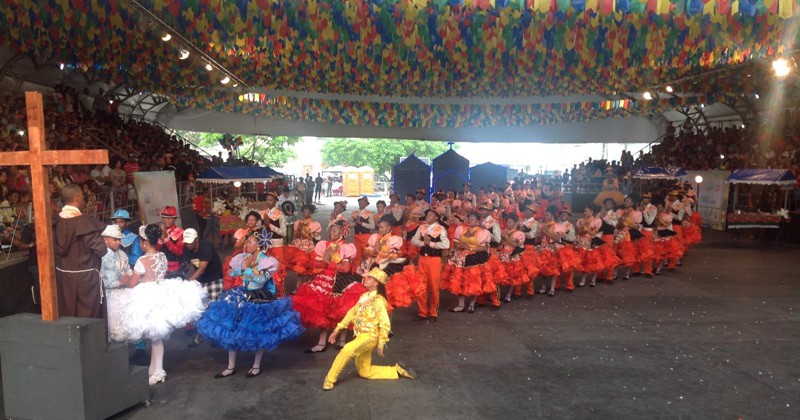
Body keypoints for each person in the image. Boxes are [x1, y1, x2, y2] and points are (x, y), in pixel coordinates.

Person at [104, 224, 206, 385]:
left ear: (144, 242)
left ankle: (158, 371)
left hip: (146, 295)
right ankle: (154, 368)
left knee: (155, 335)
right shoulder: (162, 256)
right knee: (156, 336)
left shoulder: (142, 260)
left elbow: (132, 284)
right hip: (161, 291)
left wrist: (124, 280)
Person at [197, 230, 305, 379]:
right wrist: (239, 269)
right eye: (247, 242)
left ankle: (256, 365)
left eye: (250, 242)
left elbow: (260, 281)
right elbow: (234, 274)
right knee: (231, 327)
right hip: (243, 293)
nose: (247, 245)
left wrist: (246, 269)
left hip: (259, 296)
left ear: (260, 244)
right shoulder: (244, 257)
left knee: (258, 331)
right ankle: (230, 366)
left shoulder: (268, 261)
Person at [322, 267, 416, 391]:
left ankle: (329, 380)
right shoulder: (364, 296)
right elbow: (352, 313)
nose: (365, 278)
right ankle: (396, 371)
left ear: (376, 283)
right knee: (364, 372)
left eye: (370, 278)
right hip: (361, 336)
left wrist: (381, 343)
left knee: (347, 350)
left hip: (370, 336)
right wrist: (337, 330)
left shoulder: (379, 300)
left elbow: (385, 323)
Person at [291, 219, 366, 353]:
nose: (332, 233)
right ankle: (321, 342)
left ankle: (342, 340)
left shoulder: (346, 247)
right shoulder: (324, 245)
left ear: (342, 233)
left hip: (340, 281)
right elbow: (315, 263)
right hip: (324, 279)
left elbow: (346, 268)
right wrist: (325, 263)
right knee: (323, 310)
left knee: (342, 309)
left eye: (335, 230)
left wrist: (328, 262)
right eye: (331, 230)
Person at [54, 183, 108, 318]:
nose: (84, 198)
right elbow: (101, 250)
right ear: (77, 198)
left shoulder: (55, 221)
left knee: (66, 314)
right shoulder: (84, 223)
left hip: (63, 277)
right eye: (83, 196)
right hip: (86, 279)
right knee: (87, 319)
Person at [441, 211, 504, 313]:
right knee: (459, 282)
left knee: (474, 282)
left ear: (478, 221)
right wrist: (461, 246)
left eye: (473, 218)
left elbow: (484, 248)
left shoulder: (483, 232)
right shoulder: (460, 229)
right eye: (469, 218)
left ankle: (471, 304)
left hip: (475, 259)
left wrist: (469, 247)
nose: (470, 220)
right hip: (460, 259)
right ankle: (461, 305)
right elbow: (456, 244)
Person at [410, 208, 449, 322]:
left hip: (434, 260)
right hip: (422, 259)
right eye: (427, 214)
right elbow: (413, 241)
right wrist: (423, 243)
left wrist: (431, 244)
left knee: (433, 287)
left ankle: (433, 312)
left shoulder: (440, 229)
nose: (428, 216)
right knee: (421, 286)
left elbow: (446, 244)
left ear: (436, 217)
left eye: (431, 215)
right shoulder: (422, 227)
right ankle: (422, 312)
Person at [285, 205, 323, 291]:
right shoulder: (299, 222)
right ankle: (298, 286)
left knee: (309, 267)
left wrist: (310, 236)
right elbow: (296, 234)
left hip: (308, 246)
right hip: (300, 245)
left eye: (307, 211)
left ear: (311, 213)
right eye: (304, 211)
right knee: (300, 267)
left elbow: (314, 236)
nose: (304, 213)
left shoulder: (314, 224)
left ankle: (309, 286)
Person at [157, 205, 184, 276]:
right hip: (162, 266)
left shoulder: (179, 232)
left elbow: (179, 252)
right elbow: (156, 249)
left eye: (170, 218)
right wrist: (160, 240)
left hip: (175, 267)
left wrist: (166, 239)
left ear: (175, 219)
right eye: (165, 218)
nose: (167, 220)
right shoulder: (160, 231)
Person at [351, 196, 375, 270]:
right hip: (357, 236)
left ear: (366, 204)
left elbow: (372, 226)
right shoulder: (354, 213)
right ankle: (355, 271)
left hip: (366, 236)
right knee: (356, 254)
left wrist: (361, 223)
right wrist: (354, 223)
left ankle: (368, 270)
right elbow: (349, 225)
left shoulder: (369, 213)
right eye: (360, 201)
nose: (361, 203)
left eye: (364, 202)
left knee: (367, 254)